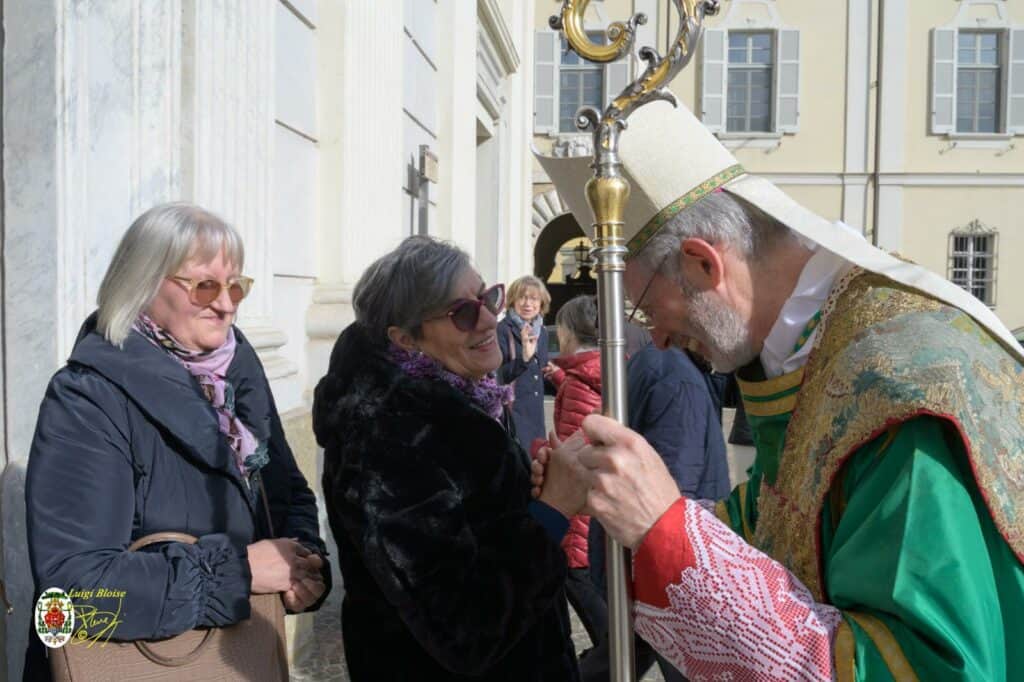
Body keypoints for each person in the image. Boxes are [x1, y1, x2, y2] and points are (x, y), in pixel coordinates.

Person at [535, 102, 1024, 680]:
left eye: (644, 311)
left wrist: (665, 531)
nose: (659, 341)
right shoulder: (808, 348)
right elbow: (778, 524)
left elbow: (923, 666)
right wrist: (618, 499)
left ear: (700, 264)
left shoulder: (901, 384)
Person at [24, 203, 330, 679]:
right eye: (204, 285)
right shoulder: (87, 398)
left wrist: (303, 565)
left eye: (235, 286)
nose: (225, 304)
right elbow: (70, 597)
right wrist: (239, 573)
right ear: (143, 283)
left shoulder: (236, 368)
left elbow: (287, 492)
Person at [312, 236, 581, 681]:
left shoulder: (462, 397)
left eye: (488, 297)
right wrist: (553, 512)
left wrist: (535, 491)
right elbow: (466, 629)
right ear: (404, 339)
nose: (490, 318)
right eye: (463, 312)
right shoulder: (390, 437)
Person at [545, 295, 607, 653]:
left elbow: (573, 455)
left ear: (568, 331)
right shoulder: (609, 369)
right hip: (599, 511)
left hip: (578, 518)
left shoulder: (578, 382)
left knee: (583, 587)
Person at [497, 275, 556, 449]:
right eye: (522, 297)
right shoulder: (502, 330)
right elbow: (497, 375)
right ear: (513, 301)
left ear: (542, 303)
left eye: (534, 298)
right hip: (514, 413)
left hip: (536, 415)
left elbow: (539, 373)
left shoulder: (542, 332)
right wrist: (524, 358)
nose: (527, 304)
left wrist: (554, 373)